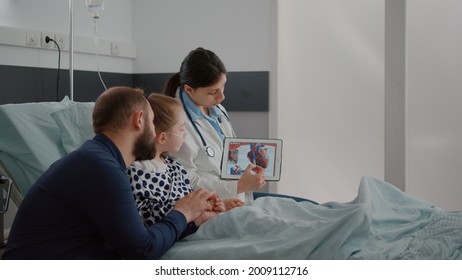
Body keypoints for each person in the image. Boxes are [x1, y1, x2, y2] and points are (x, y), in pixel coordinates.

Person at [2, 86, 219, 260]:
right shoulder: (101, 168)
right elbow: (142, 250)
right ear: (139, 120)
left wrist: (193, 221)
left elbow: (132, 239)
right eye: (152, 123)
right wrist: (182, 213)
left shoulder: (99, 160)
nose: (155, 132)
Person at [162, 47, 266, 203]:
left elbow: (231, 154)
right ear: (189, 90)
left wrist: (249, 171)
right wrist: (237, 186)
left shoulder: (217, 109)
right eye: (213, 92)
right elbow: (185, 181)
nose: (222, 96)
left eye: (223, 87)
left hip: (238, 197)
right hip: (212, 205)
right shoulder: (176, 122)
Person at [128, 94, 243, 227]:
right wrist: (195, 216)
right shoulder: (138, 170)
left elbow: (189, 199)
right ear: (163, 138)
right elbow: (146, 215)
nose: (185, 133)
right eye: (182, 129)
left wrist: (212, 205)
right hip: (174, 235)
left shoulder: (175, 168)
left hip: (191, 228)